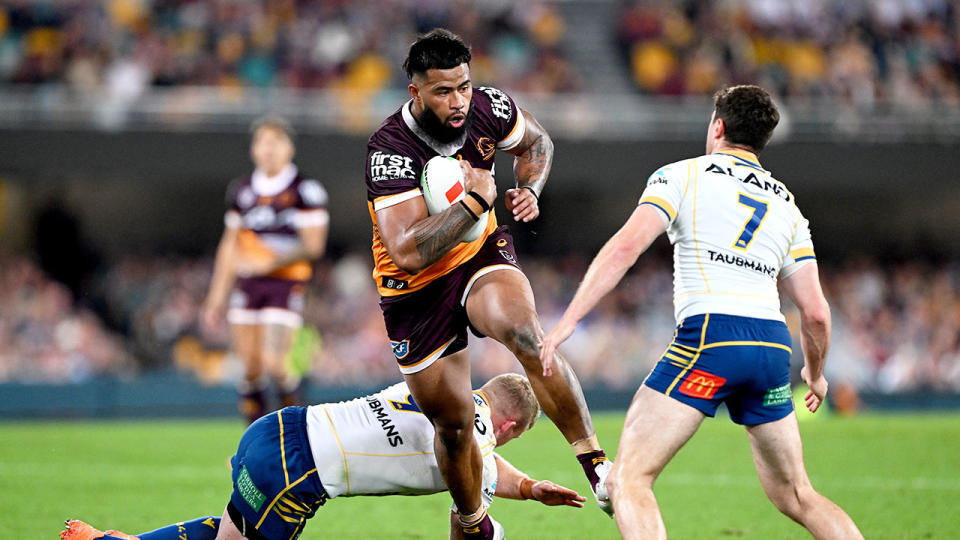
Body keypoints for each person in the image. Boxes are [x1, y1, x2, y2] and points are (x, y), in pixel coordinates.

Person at [541, 85, 864, 540]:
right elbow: (814, 311)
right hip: (773, 348)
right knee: (797, 495)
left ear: (718, 126)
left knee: (627, 479)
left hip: (712, 337)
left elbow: (627, 247)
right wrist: (815, 373)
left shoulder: (683, 176)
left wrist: (570, 319)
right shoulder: (787, 205)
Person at [364, 28, 611, 538]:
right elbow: (407, 252)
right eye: (443, 91)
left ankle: (599, 468)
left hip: (479, 256)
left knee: (523, 331)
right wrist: (476, 202)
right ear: (416, 92)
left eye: (464, 87)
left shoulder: (488, 106)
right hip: (415, 294)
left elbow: (537, 141)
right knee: (453, 428)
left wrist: (530, 187)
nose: (458, 102)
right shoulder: (388, 150)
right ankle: (474, 523)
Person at [61, 374, 585, 540]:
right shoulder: (474, 443)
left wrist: (532, 487)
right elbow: (471, 510)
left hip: (275, 431)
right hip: (296, 475)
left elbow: (485, 465)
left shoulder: (441, 393)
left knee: (232, 533)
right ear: (510, 426)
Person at [201, 116, 329, 424]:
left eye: (274, 142)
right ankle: (255, 442)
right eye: (261, 142)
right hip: (248, 285)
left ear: (289, 148)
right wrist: (216, 296)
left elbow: (313, 245)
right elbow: (229, 245)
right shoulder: (242, 189)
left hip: (284, 284)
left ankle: (295, 430)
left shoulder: (304, 190)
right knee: (249, 368)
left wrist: (270, 262)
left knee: (276, 364)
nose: (267, 149)